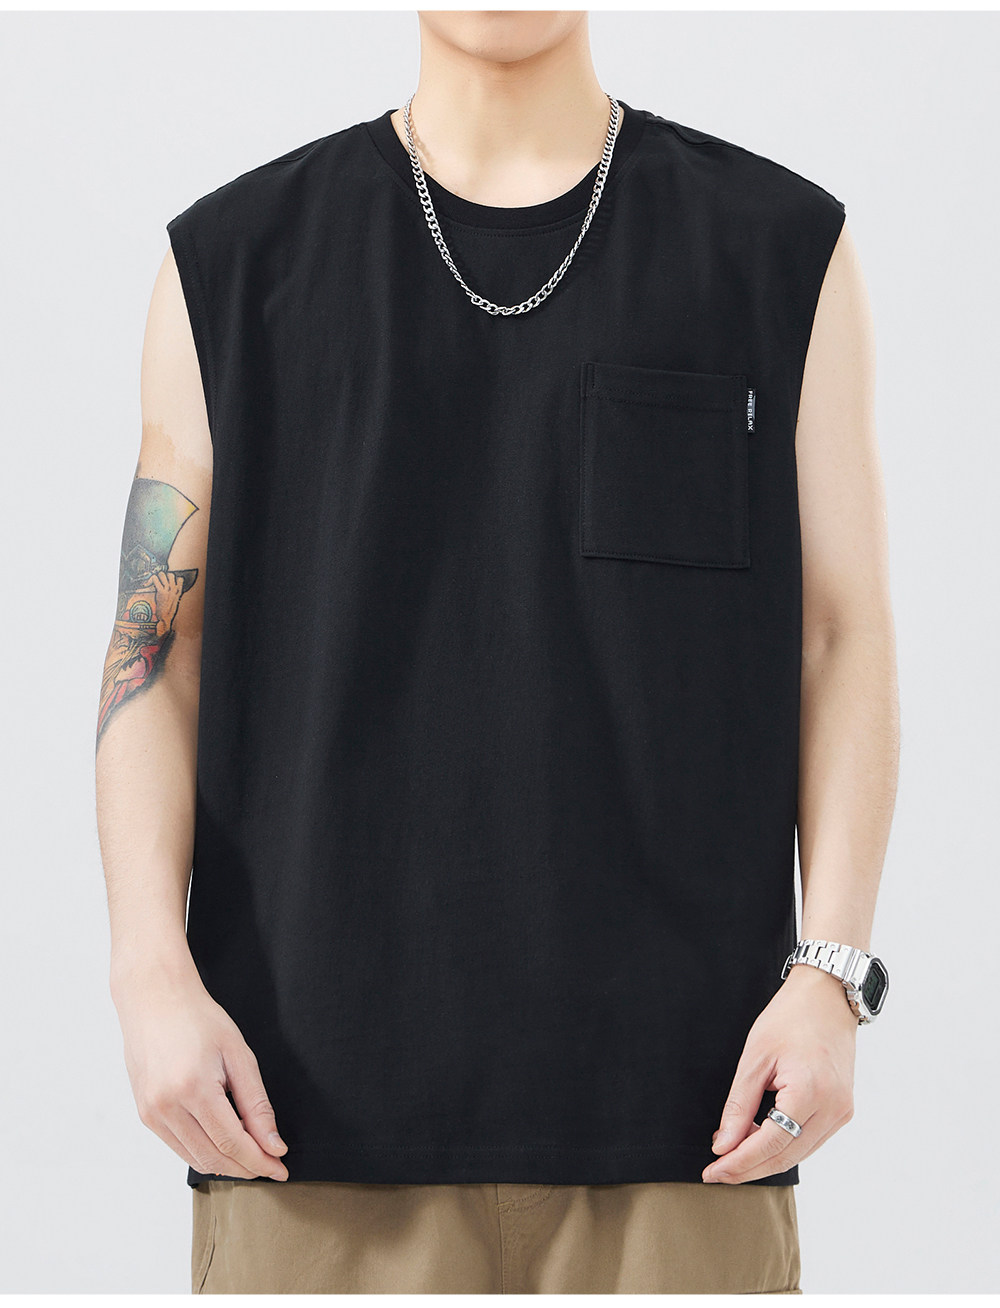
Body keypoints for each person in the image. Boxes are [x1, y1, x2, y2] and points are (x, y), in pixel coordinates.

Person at [95, 10, 899, 1295]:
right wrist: (148, 972)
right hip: (301, 1126)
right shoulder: (230, 264)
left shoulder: (777, 248)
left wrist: (831, 976)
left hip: (692, 1127)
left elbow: (836, 633)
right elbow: (156, 642)